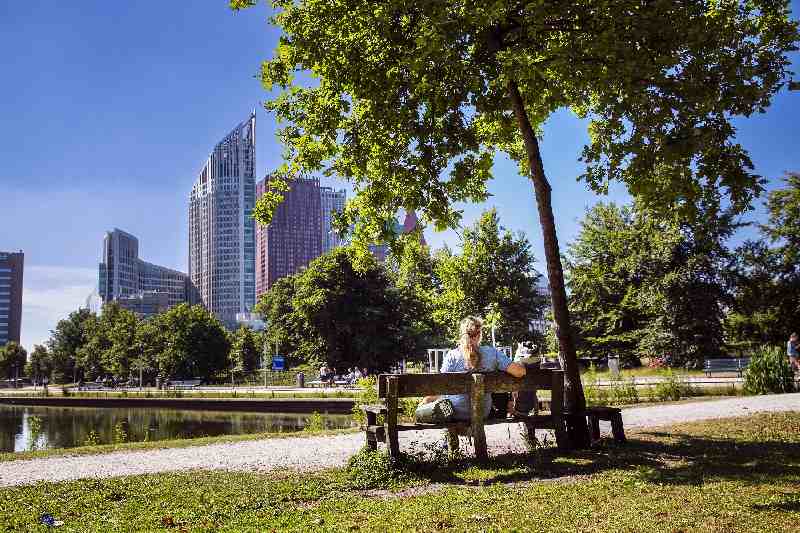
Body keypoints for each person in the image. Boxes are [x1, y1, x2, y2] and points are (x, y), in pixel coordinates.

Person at [418, 316, 526, 421]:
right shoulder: (492, 353)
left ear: (462, 334)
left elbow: (440, 387)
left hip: (455, 413)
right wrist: (521, 361)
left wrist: (425, 401)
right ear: (479, 334)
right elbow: (520, 372)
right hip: (483, 413)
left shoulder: (452, 356)